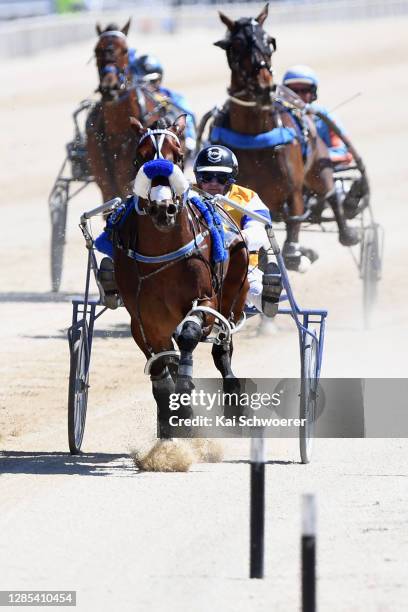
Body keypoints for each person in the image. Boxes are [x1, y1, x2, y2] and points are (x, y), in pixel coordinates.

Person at [193, 145, 283, 317]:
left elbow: (260, 231)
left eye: (221, 178)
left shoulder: (248, 197)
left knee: (253, 287)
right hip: (195, 266)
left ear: (231, 178)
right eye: (206, 177)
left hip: (240, 266)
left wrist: (234, 239)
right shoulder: (187, 194)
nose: (213, 183)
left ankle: (267, 299)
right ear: (198, 176)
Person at [282, 65, 368, 217]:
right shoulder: (280, 120)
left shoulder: (322, 117)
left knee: (338, 192)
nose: (299, 96)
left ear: (313, 93)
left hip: (323, 174)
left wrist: (311, 160)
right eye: (294, 91)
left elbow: (342, 151)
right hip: (288, 178)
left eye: (305, 90)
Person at [130, 53, 197, 158]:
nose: (144, 89)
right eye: (139, 83)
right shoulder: (135, 101)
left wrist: (189, 137)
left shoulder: (174, 97)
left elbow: (188, 117)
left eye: (149, 82)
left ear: (158, 80)